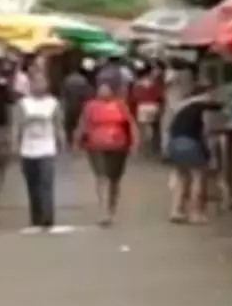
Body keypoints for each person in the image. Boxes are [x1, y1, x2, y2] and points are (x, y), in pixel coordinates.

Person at [75, 81, 139, 227]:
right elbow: (83, 123)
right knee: (101, 177)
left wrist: (135, 142)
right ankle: (103, 211)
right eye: (101, 89)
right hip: (96, 146)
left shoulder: (120, 106)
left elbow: (131, 124)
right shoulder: (90, 106)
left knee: (114, 180)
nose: (103, 92)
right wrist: (77, 140)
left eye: (107, 89)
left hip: (118, 147)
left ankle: (112, 209)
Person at [12, 74, 66, 233]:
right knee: (33, 185)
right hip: (28, 149)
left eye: (42, 82)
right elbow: (16, 126)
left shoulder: (53, 103)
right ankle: (36, 216)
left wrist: (62, 142)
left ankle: (47, 217)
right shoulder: (23, 104)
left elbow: (58, 125)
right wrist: (15, 144)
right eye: (36, 82)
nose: (39, 85)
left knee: (46, 183)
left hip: (47, 148)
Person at [165, 85, 221, 224]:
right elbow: (205, 134)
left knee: (181, 177)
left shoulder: (183, 108)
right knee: (197, 177)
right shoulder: (202, 109)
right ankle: (195, 214)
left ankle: (176, 211)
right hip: (190, 143)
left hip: (174, 143)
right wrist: (207, 154)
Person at [61, 66, 93, 145]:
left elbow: (63, 93)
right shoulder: (83, 80)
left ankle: (69, 140)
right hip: (80, 104)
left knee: (69, 124)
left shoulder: (67, 79)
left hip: (69, 104)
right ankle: (78, 141)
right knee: (79, 123)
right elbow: (88, 92)